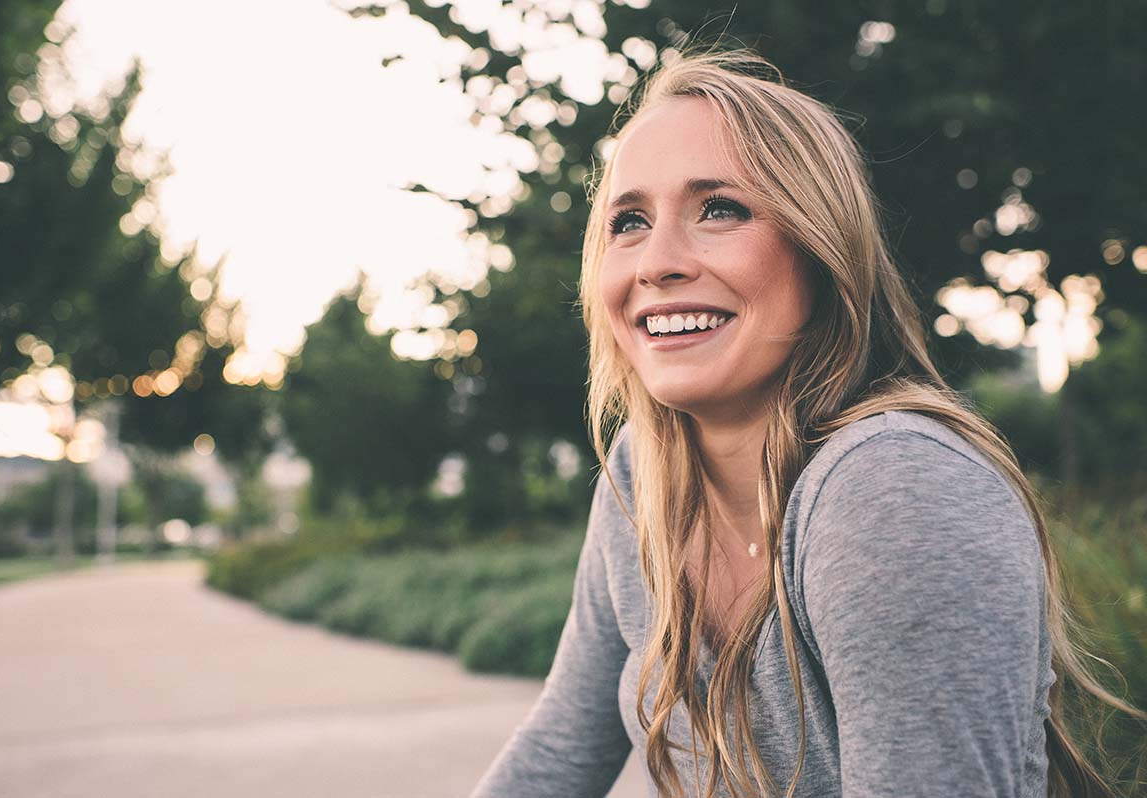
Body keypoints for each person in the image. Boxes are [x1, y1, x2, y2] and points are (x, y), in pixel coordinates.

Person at [468, 45, 1144, 798]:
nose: (656, 261)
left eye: (720, 208)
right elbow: (560, 746)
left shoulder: (897, 490)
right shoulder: (642, 470)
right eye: (628, 220)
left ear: (820, 248)